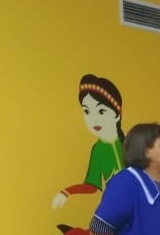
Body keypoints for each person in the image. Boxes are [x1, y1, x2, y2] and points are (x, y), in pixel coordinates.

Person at [52, 74, 125, 208]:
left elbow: (149, 171)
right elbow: (92, 186)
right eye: (87, 111)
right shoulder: (98, 149)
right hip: (115, 208)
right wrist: (67, 192)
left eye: (101, 111)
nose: (94, 119)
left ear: (117, 115)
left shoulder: (132, 143)